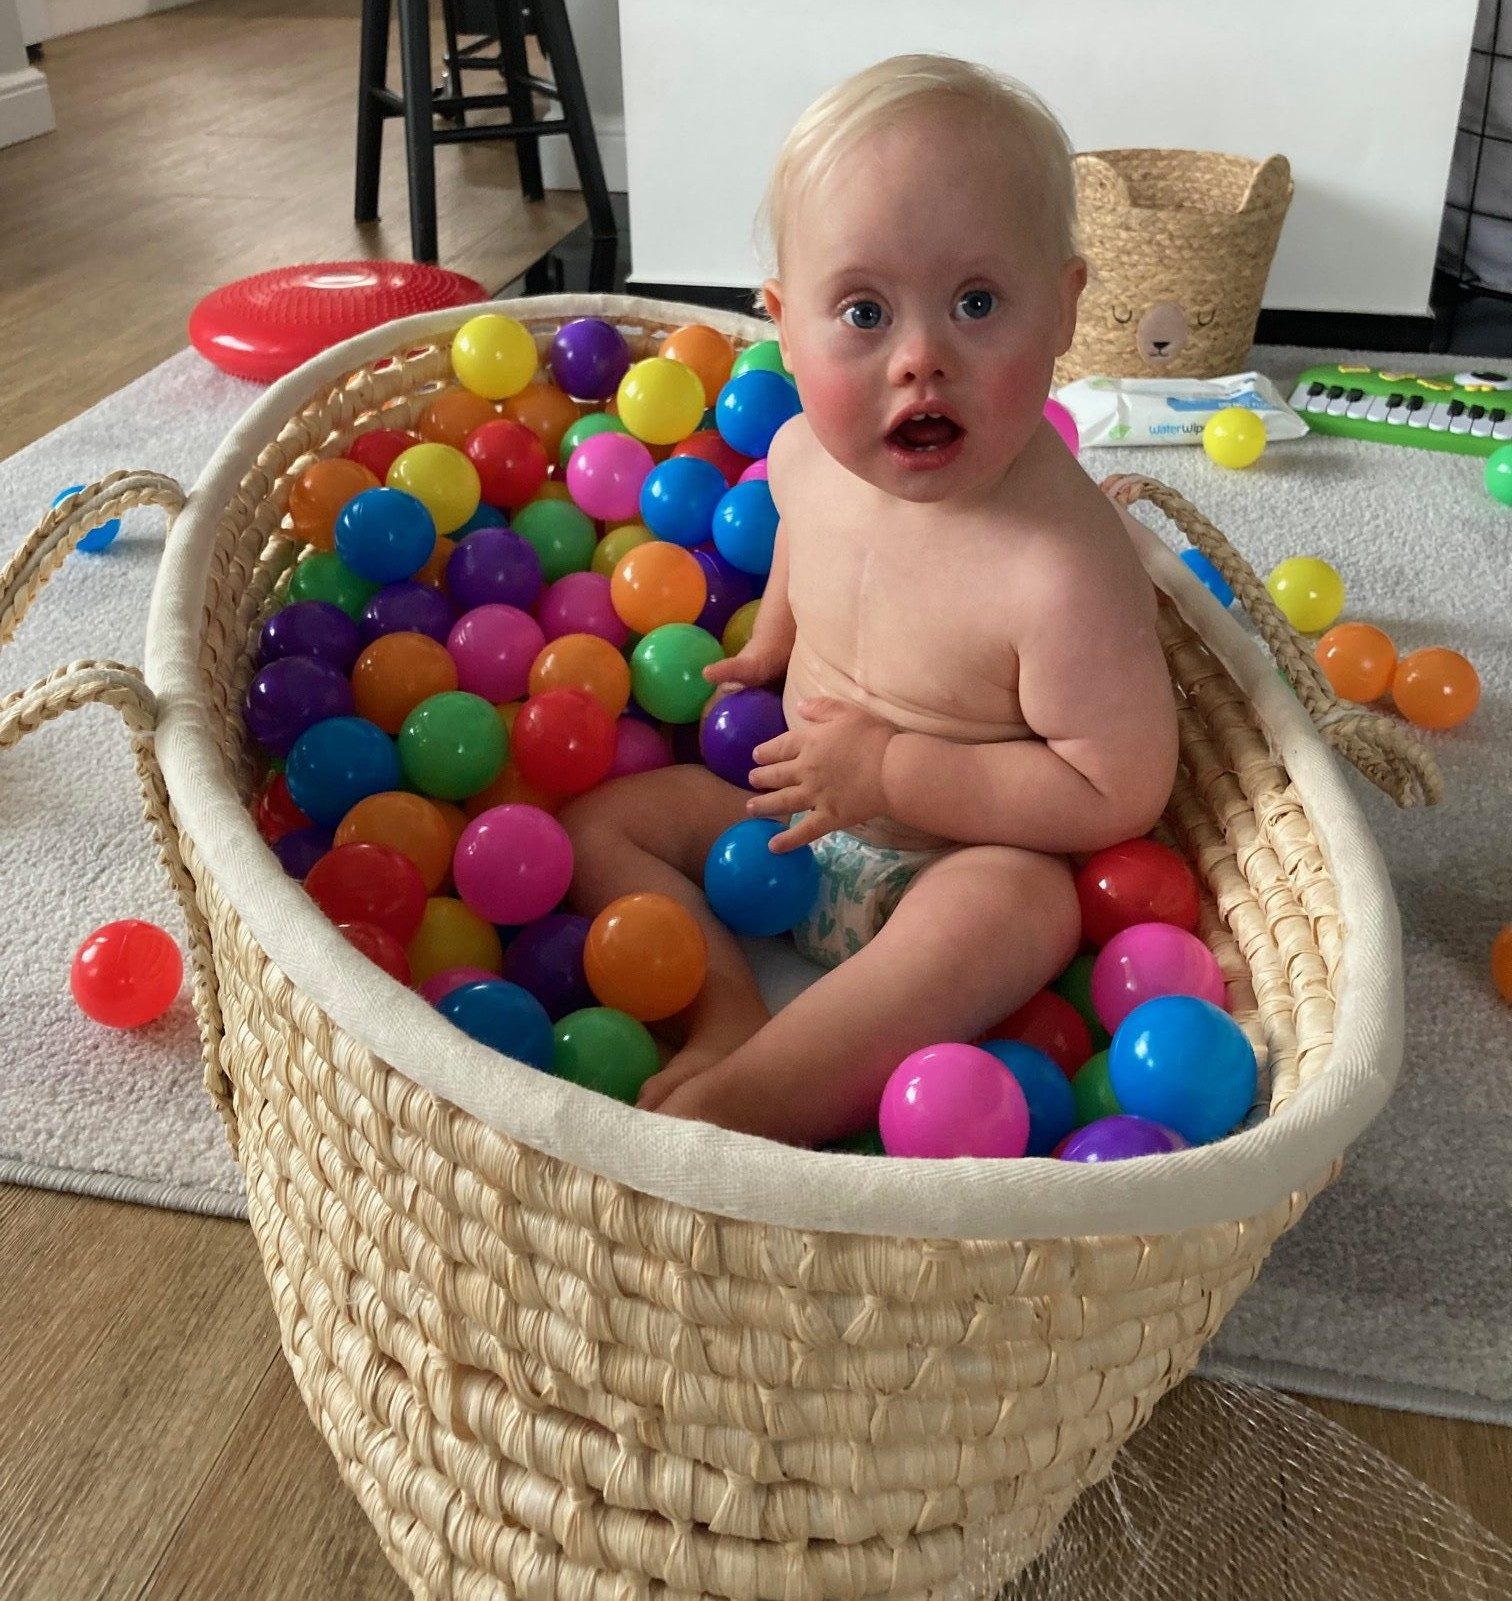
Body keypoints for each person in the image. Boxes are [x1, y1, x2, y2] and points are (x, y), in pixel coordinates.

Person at [559, 54, 1178, 1145]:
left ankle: (760, 1098)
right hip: (789, 811)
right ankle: (724, 1008)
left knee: (1025, 909)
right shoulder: (806, 453)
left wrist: (894, 771)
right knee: (594, 825)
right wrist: (770, 645)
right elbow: (802, 544)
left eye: (977, 303)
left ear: (1064, 308)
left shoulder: (1060, 566)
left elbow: (1116, 789)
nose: (921, 359)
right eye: (863, 311)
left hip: (951, 857)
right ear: (785, 328)